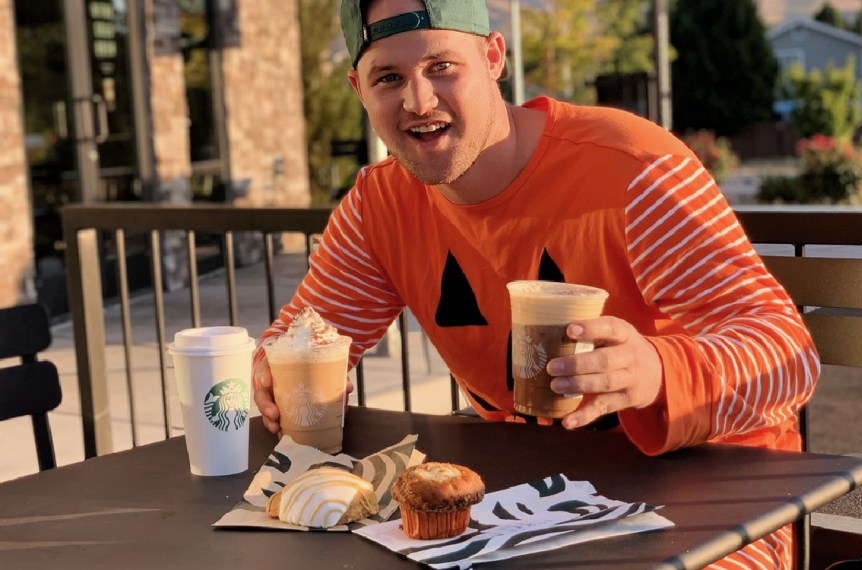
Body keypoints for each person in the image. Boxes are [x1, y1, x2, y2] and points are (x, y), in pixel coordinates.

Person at [253, 0, 819, 567]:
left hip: (722, 491)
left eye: (441, 67)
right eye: (389, 78)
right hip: (531, 499)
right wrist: (275, 375)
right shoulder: (379, 205)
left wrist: (656, 371)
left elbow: (790, 357)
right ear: (359, 88)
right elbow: (307, 338)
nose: (418, 101)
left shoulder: (632, 168)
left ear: (493, 56)